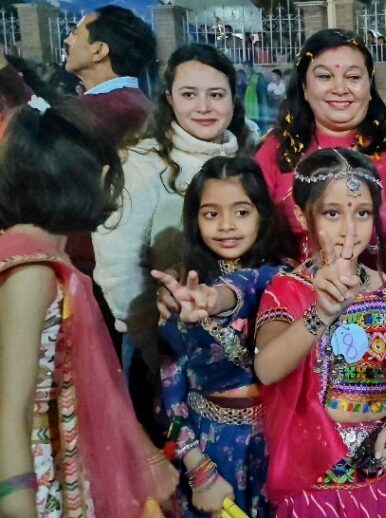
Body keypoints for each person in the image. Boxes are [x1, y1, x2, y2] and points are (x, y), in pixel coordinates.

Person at [0, 102, 177, 518]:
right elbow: (9, 411)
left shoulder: (36, 260)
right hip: (32, 476)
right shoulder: (32, 273)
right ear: (98, 178)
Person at [254, 149, 386, 514]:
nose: (349, 230)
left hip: (376, 484)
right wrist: (321, 313)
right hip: (311, 486)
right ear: (302, 215)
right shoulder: (287, 289)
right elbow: (267, 368)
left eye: (362, 213)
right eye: (332, 213)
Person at [92, 44, 249, 418]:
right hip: (160, 345)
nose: (204, 107)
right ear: (169, 99)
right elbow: (118, 268)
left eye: (216, 95)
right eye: (189, 95)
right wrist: (151, 338)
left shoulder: (245, 155)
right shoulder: (141, 163)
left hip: (236, 340)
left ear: (233, 98)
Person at [152, 157, 292, 517]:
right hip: (211, 447)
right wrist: (198, 469)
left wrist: (215, 299)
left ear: (262, 215)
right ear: (195, 220)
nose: (226, 225)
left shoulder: (284, 279)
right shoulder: (182, 292)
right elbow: (170, 393)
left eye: (241, 212)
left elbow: (247, 285)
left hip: (280, 442)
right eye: (211, 214)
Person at [255, 29, 386, 268]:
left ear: (369, 85)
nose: (340, 88)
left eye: (353, 77)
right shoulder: (279, 149)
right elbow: (251, 231)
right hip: (292, 286)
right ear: (304, 87)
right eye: (324, 76)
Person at [0, 5, 155, 146]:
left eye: (75, 34)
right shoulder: (134, 100)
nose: (67, 40)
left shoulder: (98, 110)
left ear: (98, 51)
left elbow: (42, 136)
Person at [242, 62, 269, 133]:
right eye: (244, 68)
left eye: (247, 67)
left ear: (251, 68)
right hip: (248, 104)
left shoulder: (258, 76)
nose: (246, 69)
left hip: (257, 103)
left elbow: (261, 88)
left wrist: (250, 83)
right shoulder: (244, 77)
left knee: (259, 122)